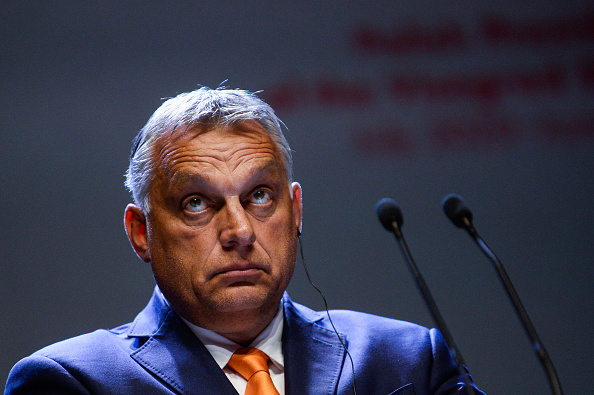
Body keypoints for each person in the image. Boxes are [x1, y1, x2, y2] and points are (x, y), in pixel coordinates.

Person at [5, 86, 483, 394]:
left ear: (295, 211)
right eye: (196, 202)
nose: (240, 232)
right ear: (140, 232)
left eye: (259, 196)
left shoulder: (406, 360)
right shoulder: (71, 381)